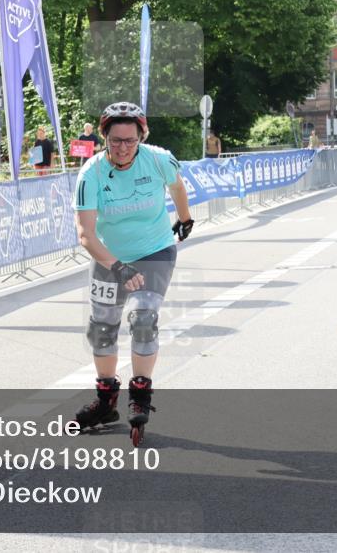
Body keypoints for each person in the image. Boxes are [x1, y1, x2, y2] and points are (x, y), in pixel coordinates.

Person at [72, 101, 193, 446]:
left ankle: (140, 392)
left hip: (154, 251)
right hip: (109, 256)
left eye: (130, 140)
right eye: (115, 141)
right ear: (103, 138)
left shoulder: (157, 159)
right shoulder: (90, 174)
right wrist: (118, 266)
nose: (122, 148)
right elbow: (86, 235)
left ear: (142, 136)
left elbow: (177, 187)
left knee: (142, 317)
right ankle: (106, 398)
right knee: (102, 328)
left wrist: (184, 219)